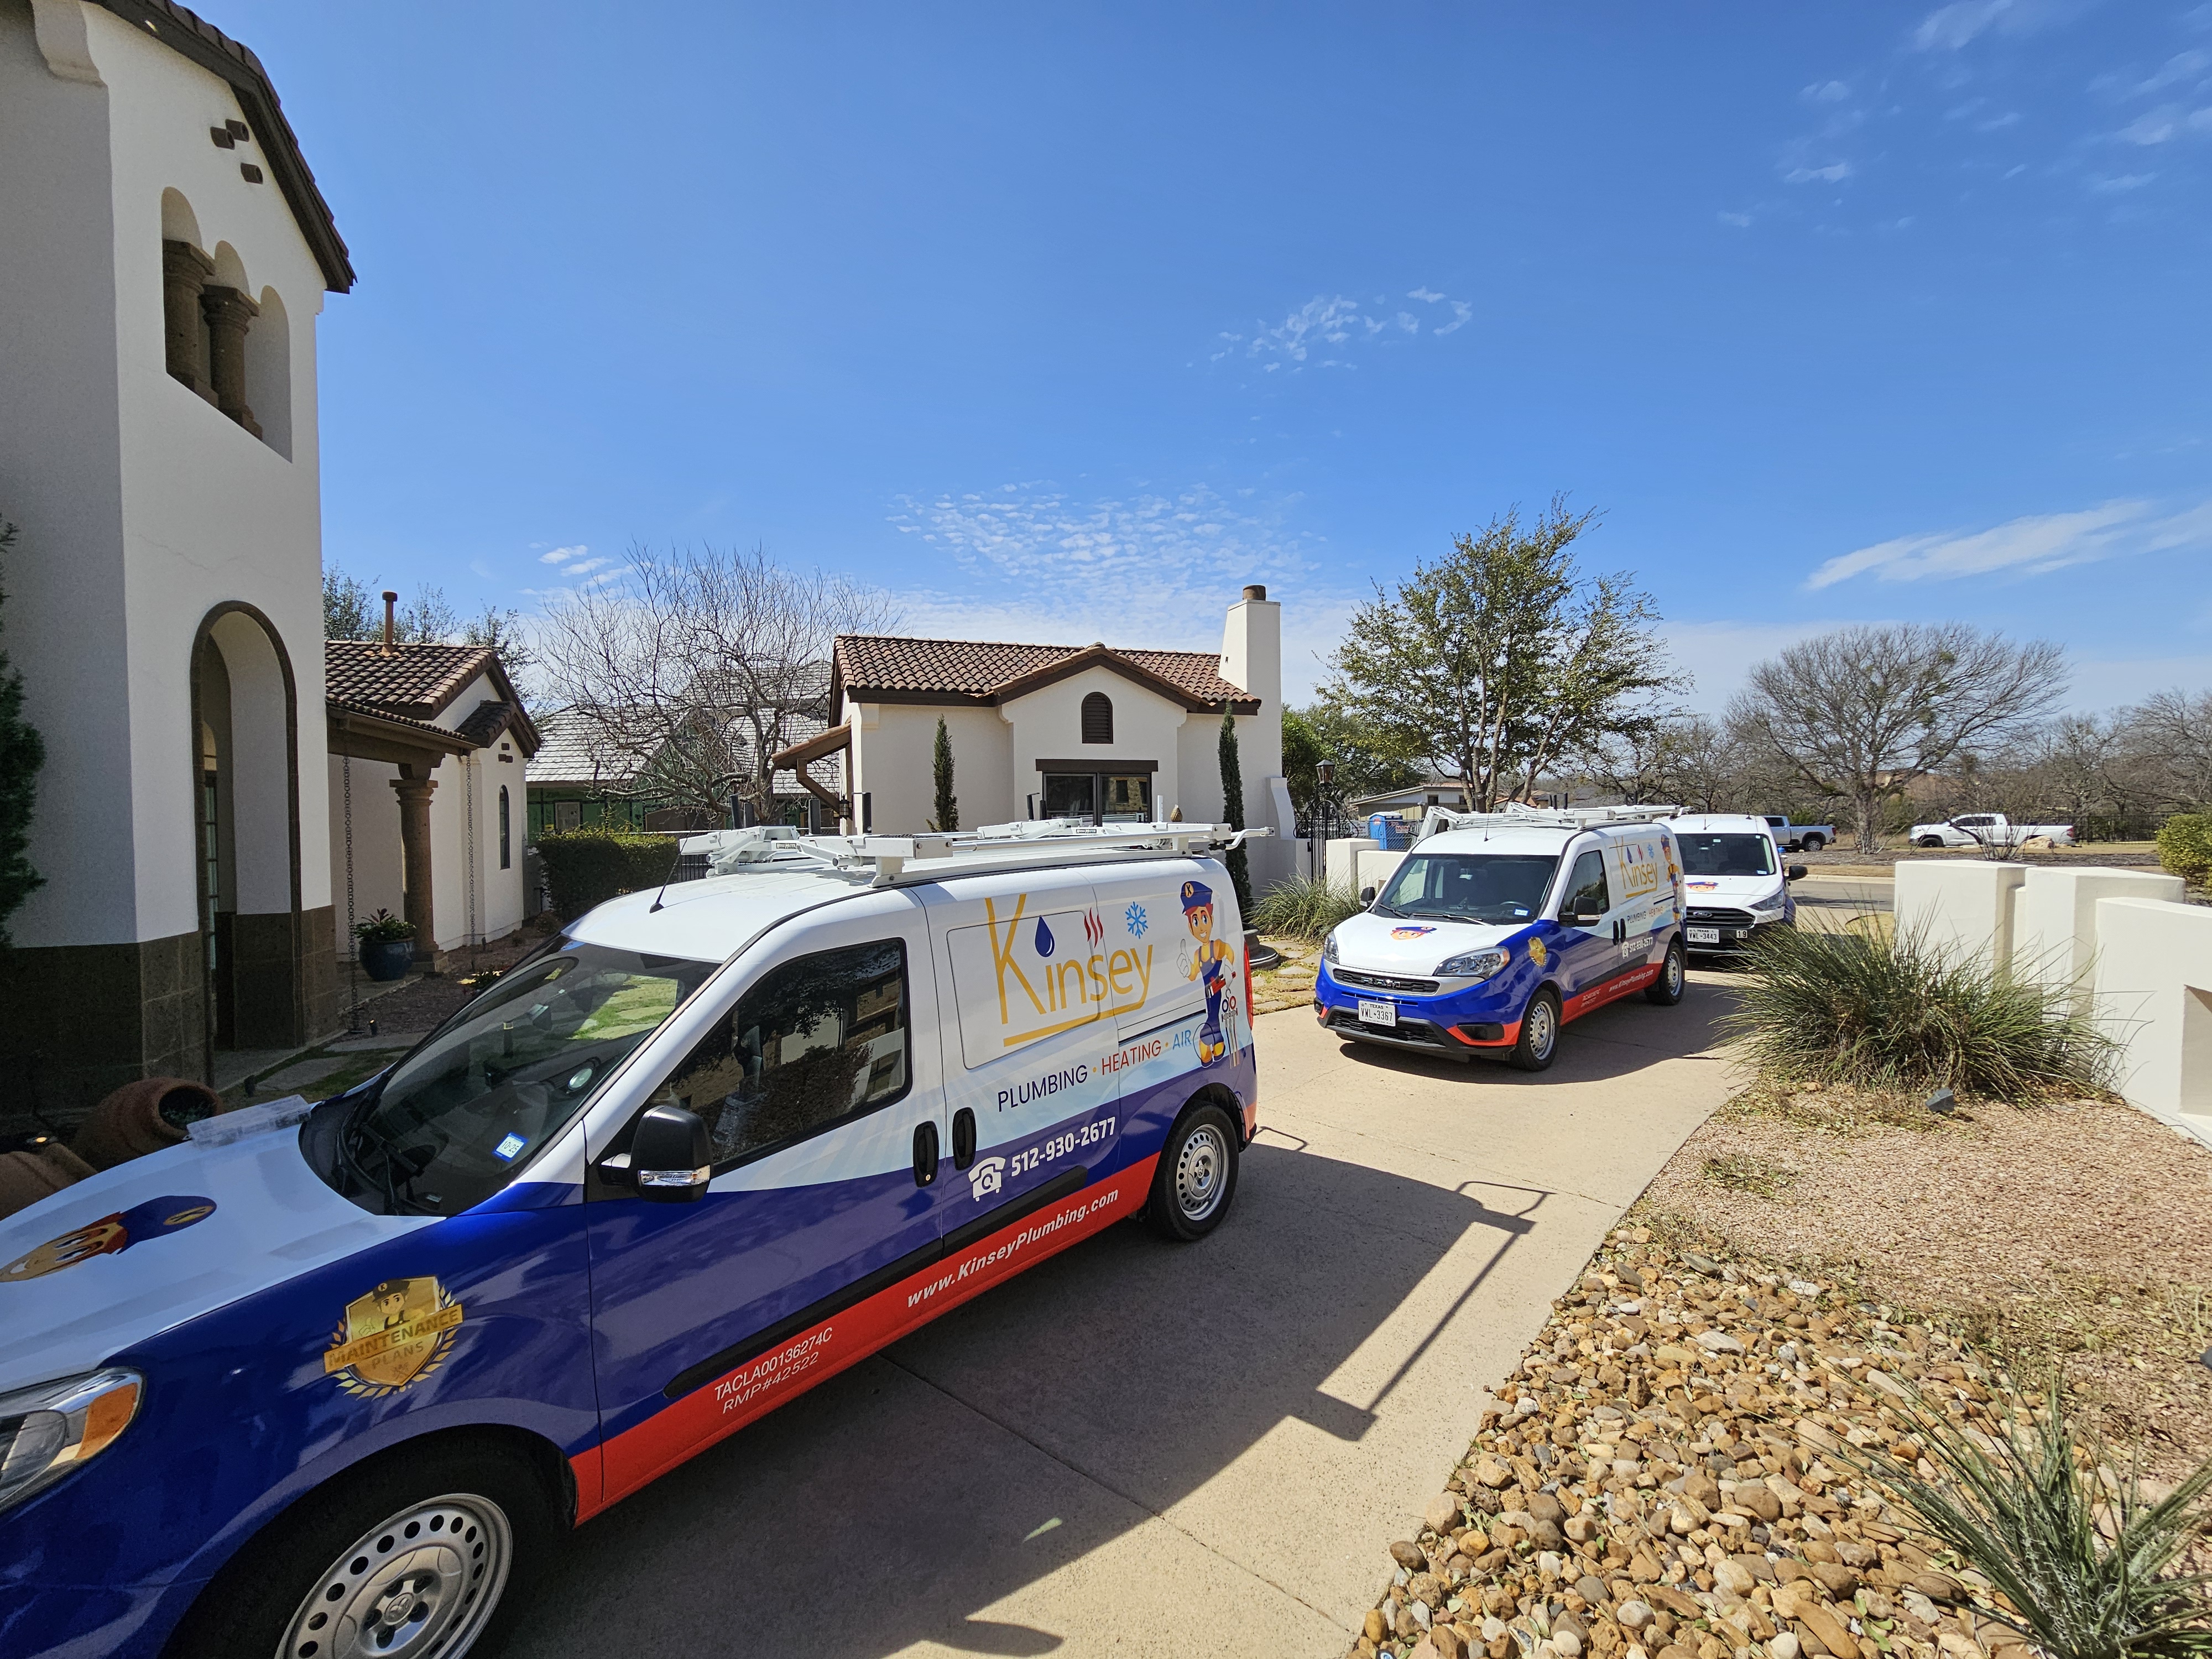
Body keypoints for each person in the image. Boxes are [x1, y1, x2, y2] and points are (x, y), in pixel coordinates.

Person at [1181, 879, 1235, 1066]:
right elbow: (1193, 976)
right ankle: (1218, 1044)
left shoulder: (1217, 946)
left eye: (1204, 918)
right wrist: (1186, 969)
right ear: (1190, 927)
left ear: (1211, 919)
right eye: (1195, 921)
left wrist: (1229, 968)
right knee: (1213, 1018)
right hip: (1206, 995)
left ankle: (1210, 1044)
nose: (1201, 927)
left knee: (1212, 1018)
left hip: (1217, 992)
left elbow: (1231, 954)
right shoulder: (1197, 954)